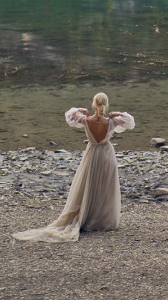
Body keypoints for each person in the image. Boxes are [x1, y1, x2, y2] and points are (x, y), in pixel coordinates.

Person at [13, 93, 134, 243]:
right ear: (106, 104)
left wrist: (82, 109)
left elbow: (70, 116)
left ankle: (87, 216)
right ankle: (101, 220)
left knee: (88, 184)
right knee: (104, 186)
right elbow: (130, 122)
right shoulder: (111, 122)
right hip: (106, 155)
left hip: (92, 153)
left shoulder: (86, 120)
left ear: (94, 104)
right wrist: (116, 113)